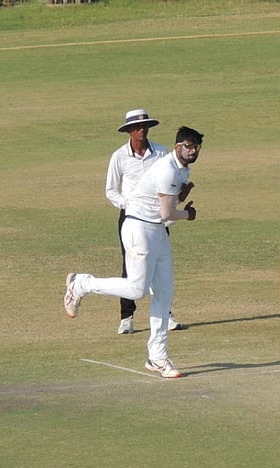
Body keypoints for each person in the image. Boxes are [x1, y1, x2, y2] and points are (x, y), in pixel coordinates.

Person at [65, 126, 204, 378]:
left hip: (156, 230)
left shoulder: (182, 169)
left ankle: (157, 357)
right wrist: (188, 214)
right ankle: (82, 284)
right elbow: (167, 213)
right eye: (188, 145)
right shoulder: (167, 169)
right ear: (177, 147)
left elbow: (164, 207)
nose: (193, 150)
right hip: (138, 228)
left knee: (164, 292)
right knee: (137, 290)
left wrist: (180, 199)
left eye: (196, 147)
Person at [105, 109, 184, 334]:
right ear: (129, 130)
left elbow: (171, 181)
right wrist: (128, 205)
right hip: (131, 219)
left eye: (145, 126)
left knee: (160, 266)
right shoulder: (119, 156)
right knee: (131, 266)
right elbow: (111, 190)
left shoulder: (160, 153)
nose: (142, 130)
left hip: (158, 218)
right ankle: (127, 317)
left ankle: (165, 315)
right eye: (138, 127)